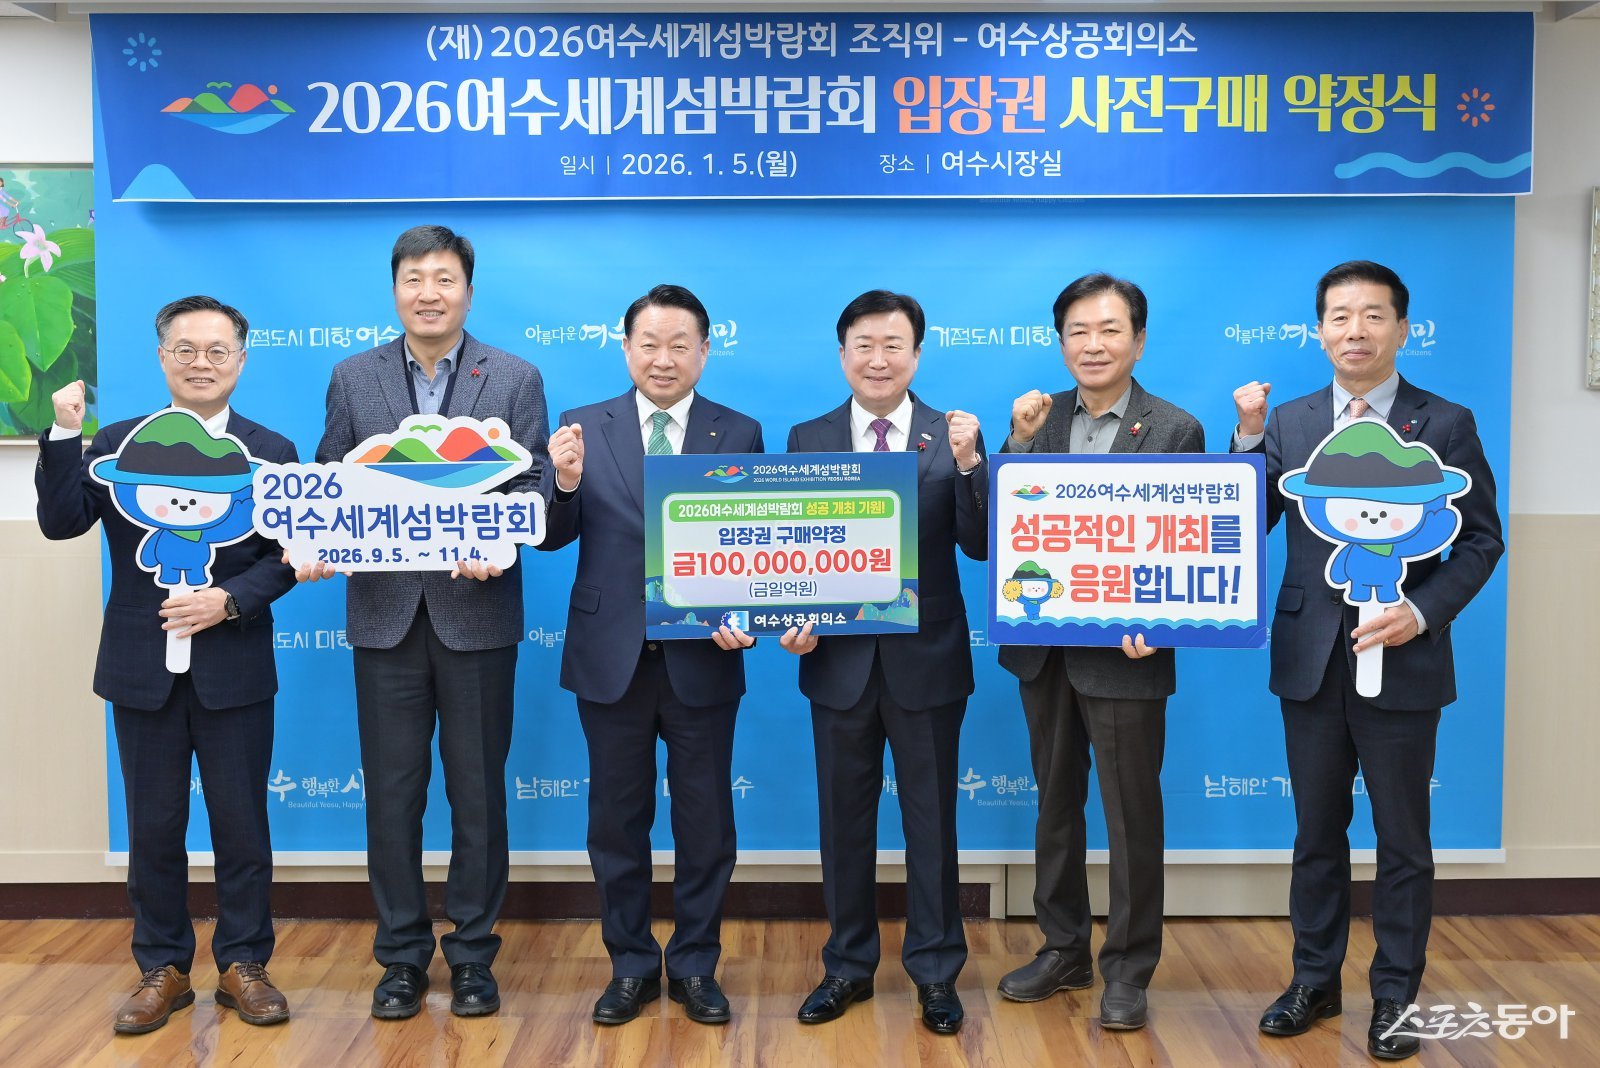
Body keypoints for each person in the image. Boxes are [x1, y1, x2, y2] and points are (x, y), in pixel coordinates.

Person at [1233, 261, 1503, 1061]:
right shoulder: (1288, 421)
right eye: (1341, 316)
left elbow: (1481, 540)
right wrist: (1246, 438)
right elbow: (1245, 519)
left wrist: (1418, 613)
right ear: (1319, 331)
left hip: (1405, 660)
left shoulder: (1445, 422)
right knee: (1316, 833)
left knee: (1402, 840)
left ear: (1402, 329)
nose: (1356, 330)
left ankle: (1395, 997)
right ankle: (1314, 982)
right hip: (1311, 660)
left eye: (1374, 315)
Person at [299, 225, 551, 1019]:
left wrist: (498, 545)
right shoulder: (354, 376)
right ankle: (402, 957)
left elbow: (534, 485)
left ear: (467, 292)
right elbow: (331, 477)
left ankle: (473, 955)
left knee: (478, 794)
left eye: (444, 278)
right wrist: (319, 538)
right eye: (414, 278)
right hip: (384, 617)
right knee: (392, 795)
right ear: (395, 290)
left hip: (477, 614)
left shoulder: (514, 377)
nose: (429, 293)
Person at [35, 295, 295, 1034]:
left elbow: (288, 555)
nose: (201, 363)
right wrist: (65, 432)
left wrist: (230, 601)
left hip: (234, 664)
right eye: (186, 350)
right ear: (162, 358)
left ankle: (244, 964)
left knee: (242, 826)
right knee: (153, 828)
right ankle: (163, 969)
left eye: (217, 351)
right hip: (141, 667)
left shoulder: (272, 451)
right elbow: (60, 521)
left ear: (241, 360)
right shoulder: (116, 441)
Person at [540, 284, 762, 1027]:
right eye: (649, 344)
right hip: (611, 656)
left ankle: (696, 963)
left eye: (679, 345)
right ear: (626, 347)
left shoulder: (740, 431)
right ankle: (630, 964)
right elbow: (552, 536)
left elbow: (754, 542)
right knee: (616, 822)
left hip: (704, 655)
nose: (663, 359)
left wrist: (745, 615)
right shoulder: (581, 425)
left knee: (707, 824)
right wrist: (564, 481)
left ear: (705, 350)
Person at [995, 273, 1204, 1031]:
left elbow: (1189, 542)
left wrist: (1166, 621)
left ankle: (1129, 967)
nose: (1093, 344)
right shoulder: (1037, 418)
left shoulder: (1175, 429)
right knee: (1055, 806)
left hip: (1127, 656)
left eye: (1110, 330)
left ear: (1138, 341)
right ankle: (1063, 949)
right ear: (1061, 342)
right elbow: (997, 525)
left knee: (1130, 815)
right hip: (1044, 650)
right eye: (1078, 331)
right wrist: (1016, 443)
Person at [781, 290, 986, 1035]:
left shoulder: (952, 434)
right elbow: (792, 550)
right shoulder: (808, 438)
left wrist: (970, 467)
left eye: (893, 345)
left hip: (926, 663)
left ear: (917, 355)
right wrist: (791, 616)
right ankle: (847, 966)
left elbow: (980, 544)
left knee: (932, 823)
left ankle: (936, 971)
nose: (878, 359)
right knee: (843, 824)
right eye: (863, 345)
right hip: (837, 664)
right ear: (842, 355)